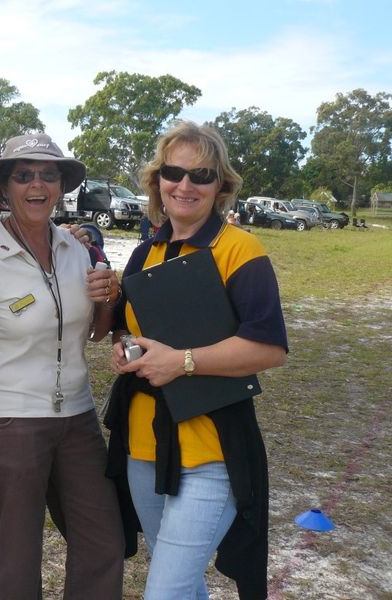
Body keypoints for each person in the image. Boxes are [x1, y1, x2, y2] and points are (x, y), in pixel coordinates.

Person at [105, 121, 288, 599]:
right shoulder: (145, 253)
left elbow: (269, 347)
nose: (185, 185)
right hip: (143, 451)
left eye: (202, 175)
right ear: (158, 180)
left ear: (220, 186)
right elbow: (130, 329)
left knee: (164, 591)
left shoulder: (239, 249)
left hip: (210, 453)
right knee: (182, 586)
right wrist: (125, 347)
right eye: (174, 172)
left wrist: (183, 362)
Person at [0, 133, 125, 599]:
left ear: (60, 186)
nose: (37, 185)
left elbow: (95, 331)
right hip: (8, 419)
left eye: (48, 175)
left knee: (102, 539)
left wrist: (108, 300)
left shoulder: (75, 249)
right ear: (6, 188)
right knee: (18, 552)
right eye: (24, 175)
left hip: (77, 416)